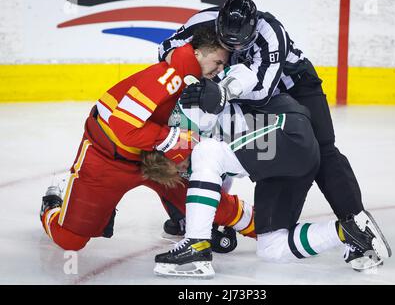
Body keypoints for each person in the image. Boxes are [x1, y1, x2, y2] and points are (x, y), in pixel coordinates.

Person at [158, 0, 377, 266]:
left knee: (323, 152)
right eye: (227, 42)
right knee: (217, 143)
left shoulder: (271, 33)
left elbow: (262, 91)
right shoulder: (203, 22)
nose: (234, 47)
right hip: (235, 90)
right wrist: (191, 75)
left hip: (292, 89)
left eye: (241, 43)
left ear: (254, 27)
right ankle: (209, 217)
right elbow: (167, 48)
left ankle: (356, 221)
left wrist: (217, 92)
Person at [39, 27, 255, 252]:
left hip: (154, 157)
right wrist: (177, 141)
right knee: (70, 240)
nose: (219, 70)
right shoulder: (168, 77)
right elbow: (123, 126)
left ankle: (267, 229)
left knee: (206, 196)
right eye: (218, 62)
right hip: (108, 158)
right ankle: (52, 204)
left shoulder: (194, 79)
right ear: (198, 53)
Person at [153, 77, 392, 278]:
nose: (184, 173)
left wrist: (202, 228)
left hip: (285, 129)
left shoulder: (185, 114)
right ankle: (349, 231)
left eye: (178, 168)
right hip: (286, 162)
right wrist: (212, 223)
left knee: (206, 152)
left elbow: (240, 83)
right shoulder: (202, 155)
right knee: (271, 247)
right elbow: (215, 183)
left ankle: (197, 246)